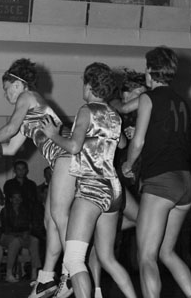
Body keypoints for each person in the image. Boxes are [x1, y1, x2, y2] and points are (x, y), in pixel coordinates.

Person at [0, 58, 75, 298]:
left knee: (58, 218)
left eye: (6, 88)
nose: (5, 94)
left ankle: (71, 273)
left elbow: (10, 128)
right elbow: (10, 147)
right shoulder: (29, 114)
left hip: (68, 157)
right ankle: (47, 279)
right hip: (62, 160)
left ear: (18, 84)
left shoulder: (27, 96)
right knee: (50, 220)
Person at [41, 62, 138, 298]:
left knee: (74, 259)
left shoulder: (86, 110)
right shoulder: (113, 114)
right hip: (114, 190)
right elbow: (122, 144)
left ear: (89, 86)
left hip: (92, 187)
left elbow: (74, 147)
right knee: (108, 258)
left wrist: (53, 135)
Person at [121, 46, 191, 298]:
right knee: (166, 252)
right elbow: (127, 108)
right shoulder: (182, 101)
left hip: (161, 181)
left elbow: (138, 142)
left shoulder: (149, 99)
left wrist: (128, 164)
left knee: (146, 256)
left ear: (150, 70)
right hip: (185, 183)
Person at [1, 191, 42, 283]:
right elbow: (5, 228)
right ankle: (9, 273)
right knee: (15, 242)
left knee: (35, 240)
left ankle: (34, 273)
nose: (17, 200)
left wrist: (27, 232)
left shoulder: (25, 211)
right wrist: (20, 234)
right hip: (7, 236)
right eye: (14, 198)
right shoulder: (5, 211)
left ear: (21, 199)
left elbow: (29, 225)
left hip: (23, 235)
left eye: (19, 197)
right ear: (10, 199)